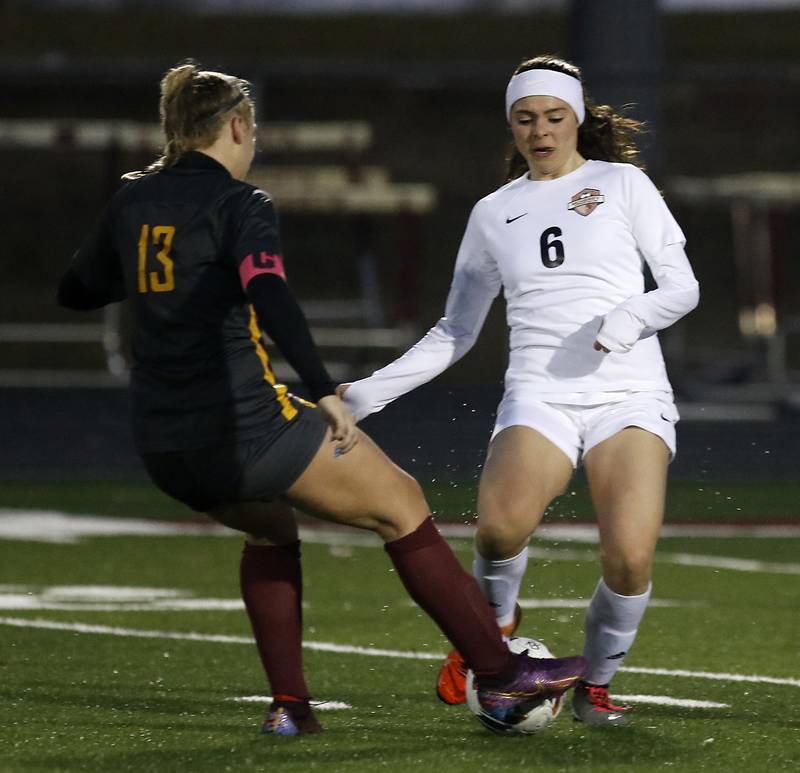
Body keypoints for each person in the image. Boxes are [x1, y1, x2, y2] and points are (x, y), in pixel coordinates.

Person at [57, 61, 586, 737]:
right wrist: (321, 389)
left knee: (270, 529)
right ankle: (501, 673)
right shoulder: (241, 202)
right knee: (400, 504)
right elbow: (268, 291)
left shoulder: (133, 198)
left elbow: (76, 289)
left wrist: (164, 282)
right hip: (243, 426)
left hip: (163, 442)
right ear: (238, 125)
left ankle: (290, 707)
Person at [341, 54, 699, 727]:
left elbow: (682, 287)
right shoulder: (493, 213)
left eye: (554, 117)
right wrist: (366, 393)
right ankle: (490, 637)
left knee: (628, 557)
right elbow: (455, 330)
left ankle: (594, 687)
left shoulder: (623, 184)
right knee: (501, 527)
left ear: (577, 118)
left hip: (628, 393)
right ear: (511, 125)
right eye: (526, 118)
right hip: (539, 391)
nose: (540, 130)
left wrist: (627, 320)